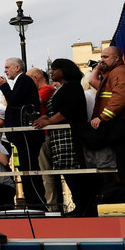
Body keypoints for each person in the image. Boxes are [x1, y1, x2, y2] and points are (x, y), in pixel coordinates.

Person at [33, 59, 93, 216]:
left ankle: (83, 208)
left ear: (64, 70)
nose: (51, 72)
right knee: (67, 172)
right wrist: (45, 117)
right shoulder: (61, 89)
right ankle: (80, 207)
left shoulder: (72, 86)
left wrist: (48, 121)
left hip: (69, 137)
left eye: (55, 69)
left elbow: (70, 110)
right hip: (60, 138)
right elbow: (56, 109)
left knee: (74, 172)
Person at [86, 46, 125, 205]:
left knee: (121, 166)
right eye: (101, 56)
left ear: (116, 58)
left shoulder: (119, 72)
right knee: (116, 166)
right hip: (112, 125)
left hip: (117, 126)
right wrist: (97, 67)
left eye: (106, 57)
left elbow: (121, 97)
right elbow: (93, 82)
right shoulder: (109, 75)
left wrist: (102, 117)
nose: (102, 59)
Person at [0, 57, 46, 208]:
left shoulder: (24, 80)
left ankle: (37, 203)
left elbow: (14, 101)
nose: (5, 70)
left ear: (17, 68)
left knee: (30, 168)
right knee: (26, 168)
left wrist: (4, 87)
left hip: (27, 135)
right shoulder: (22, 81)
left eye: (7, 67)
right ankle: (33, 202)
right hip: (23, 136)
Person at [27, 67, 61, 212]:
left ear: (35, 78)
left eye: (28, 80)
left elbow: (34, 102)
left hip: (44, 135)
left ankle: (51, 207)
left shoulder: (47, 89)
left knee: (46, 173)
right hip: (40, 136)